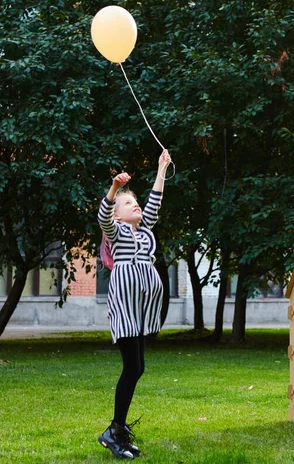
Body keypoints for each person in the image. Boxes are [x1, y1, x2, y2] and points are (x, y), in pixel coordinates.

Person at [97, 149, 171, 459]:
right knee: (132, 367)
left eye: (135, 201)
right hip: (127, 307)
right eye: (128, 203)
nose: (136, 205)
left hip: (141, 309)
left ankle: (118, 430)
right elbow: (103, 217)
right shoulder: (117, 233)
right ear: (117, 214)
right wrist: (114, 189)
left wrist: (161, 168)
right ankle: (114, 431)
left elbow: (154, 205)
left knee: (137, 367)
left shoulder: (145, 232)